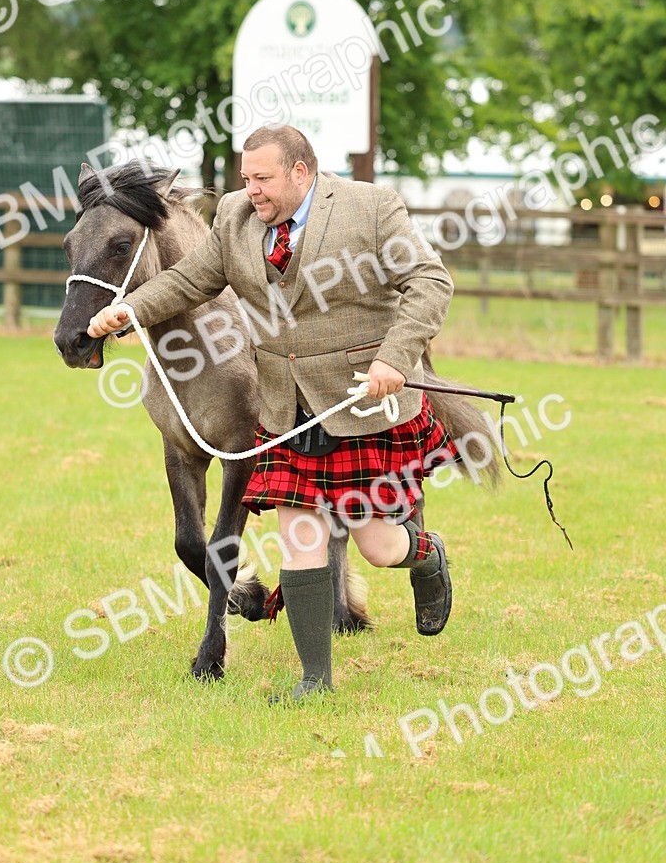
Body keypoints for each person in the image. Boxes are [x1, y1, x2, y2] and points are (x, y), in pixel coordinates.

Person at [88, 125, 461, 702]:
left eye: (262, 178)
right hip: (287, 408)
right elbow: (190, 280)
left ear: (300, 172)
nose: (251, 190)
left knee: (377, 546)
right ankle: (315, 680)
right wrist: (129, 310)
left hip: (360, 402)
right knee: (300, 538)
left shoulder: (371, 208)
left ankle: (426, 555)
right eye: (246, 178)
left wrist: (394, 357)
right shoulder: (236, 217)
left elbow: (431, 282)